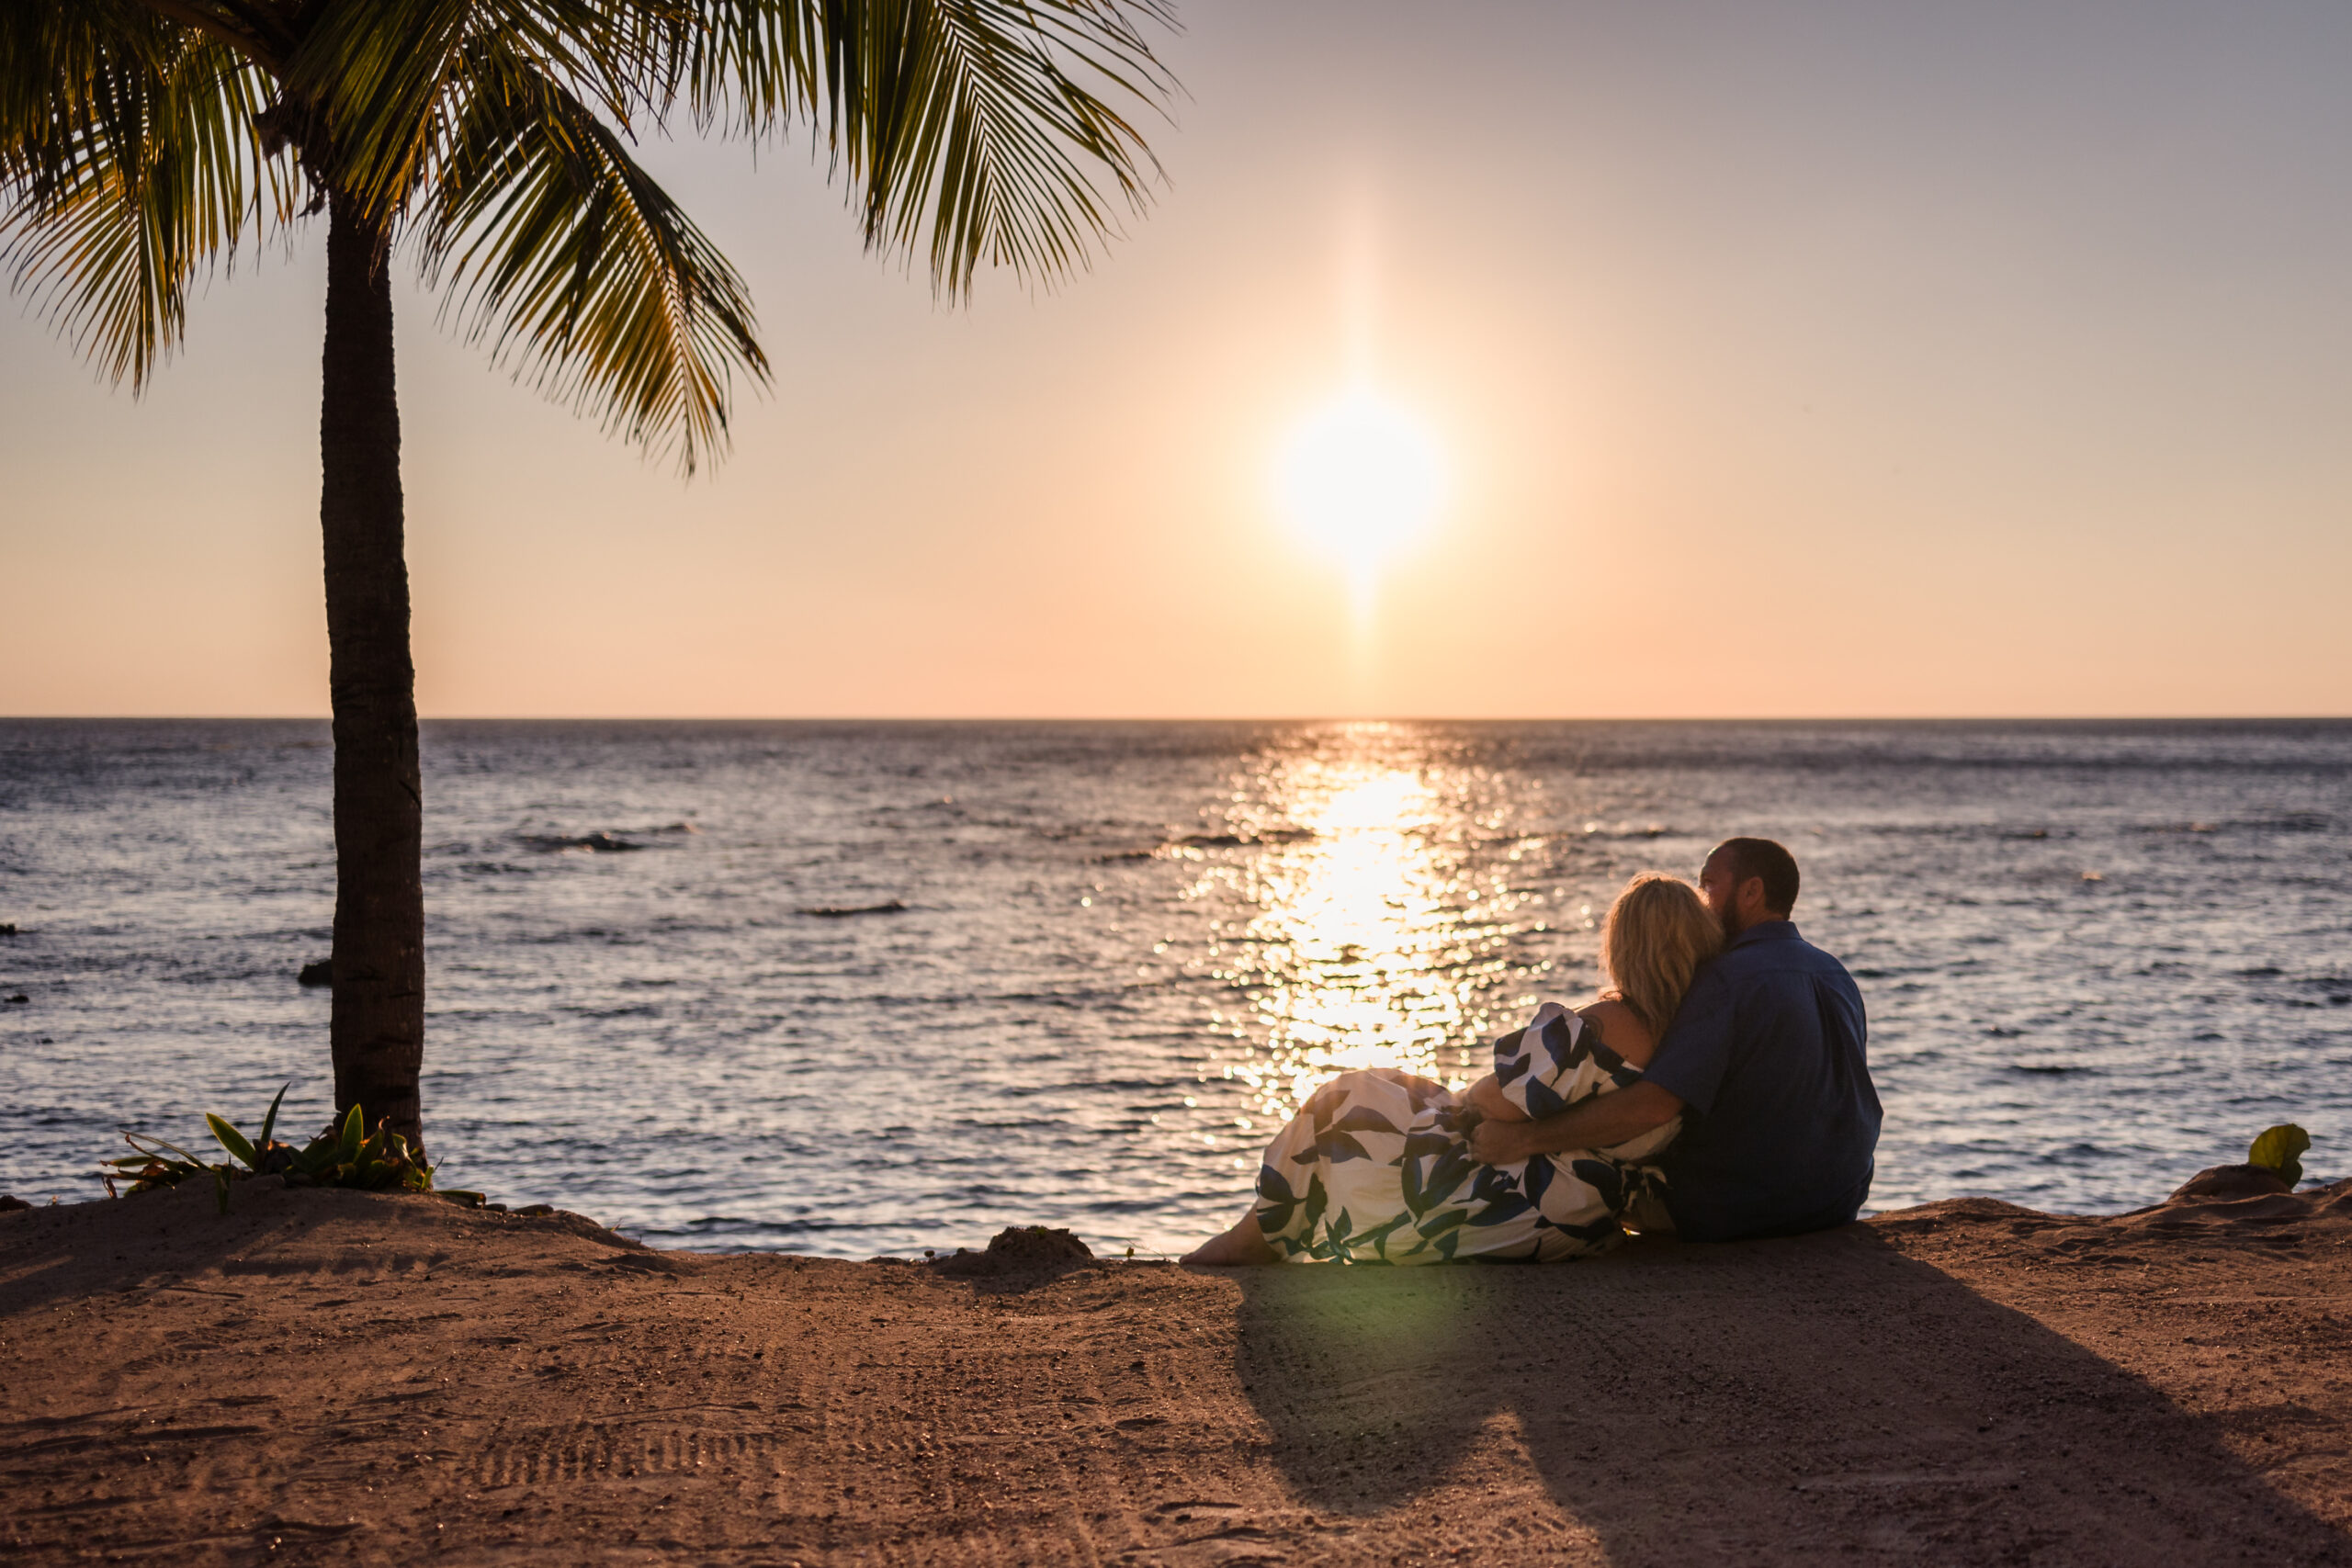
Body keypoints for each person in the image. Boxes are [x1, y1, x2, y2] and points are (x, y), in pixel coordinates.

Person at [1182, 873, 1723, 1266]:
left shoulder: (1605, 1026)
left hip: (1523, 1202)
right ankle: (1272, 1232)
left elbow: (1494, 1101)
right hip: (1587, 1222)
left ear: (1626, 945)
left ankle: (1251, 1238)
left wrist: (1458, 1101)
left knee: (1345, 1097)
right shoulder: (1690, 1029)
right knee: (1396, 1089)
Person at [1468, 837, 1880, 1242]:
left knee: (1564, 1168)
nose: (1700, 900)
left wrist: (1523, 1139)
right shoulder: (1834, 973)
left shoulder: (1727, 977)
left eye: (1708, 885)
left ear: (1751, 891)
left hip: (1746, 1209)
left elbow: (1653, 1106)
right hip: (1837, 1200)